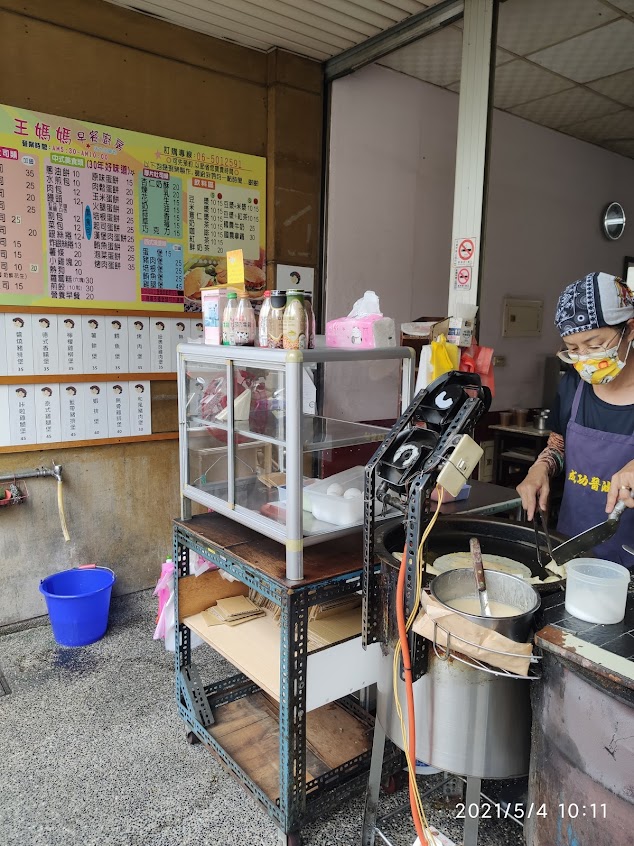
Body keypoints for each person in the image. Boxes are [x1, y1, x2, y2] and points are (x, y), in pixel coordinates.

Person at [517, 272, 634, 566]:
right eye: (572, 349)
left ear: (630, 330)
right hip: (573, 553)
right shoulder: (573, 384)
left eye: (594, 346)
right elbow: (559, 445)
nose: (584, 359)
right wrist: (540, 468)